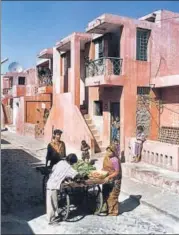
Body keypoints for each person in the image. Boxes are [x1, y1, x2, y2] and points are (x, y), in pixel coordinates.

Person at [46, 154, 78, 224]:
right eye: (73, 163)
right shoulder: (68, 167)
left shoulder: (61, 162)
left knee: (53, 202)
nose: (73, 164)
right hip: (53, 186)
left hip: (50, 183)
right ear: (71, 162)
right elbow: (75, 174)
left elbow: (53, 168)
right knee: (52, 203)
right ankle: (51, 220)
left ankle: (53, 217)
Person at [102, 144, 122, 216]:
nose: (108, 153)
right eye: (107, 151)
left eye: (110, 152)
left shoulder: (115, 160)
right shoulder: (107, 158)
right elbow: (105, 167)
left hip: (115, 180)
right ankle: (106, 209)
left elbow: (117, 172)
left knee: (113, 196)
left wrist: (109, 177)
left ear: (113, 152)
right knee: (106, 193)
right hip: (107, 177)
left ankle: (113, 211)